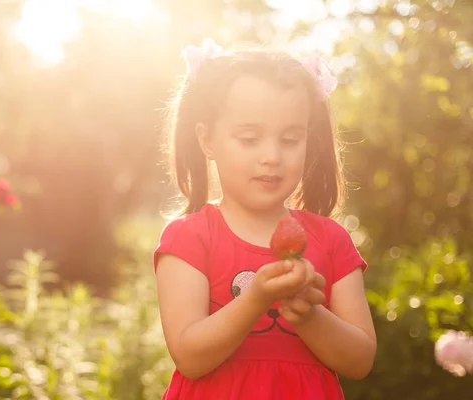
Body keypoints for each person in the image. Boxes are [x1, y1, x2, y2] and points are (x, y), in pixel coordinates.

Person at [153, 38, 377, 399]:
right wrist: (256, 298)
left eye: (289, 139)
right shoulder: (189, 238)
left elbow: (360, 361)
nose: (272, 156)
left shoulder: (332, 241)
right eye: (249, 138)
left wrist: (308, 314)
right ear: (207, 140)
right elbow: (190, 357)